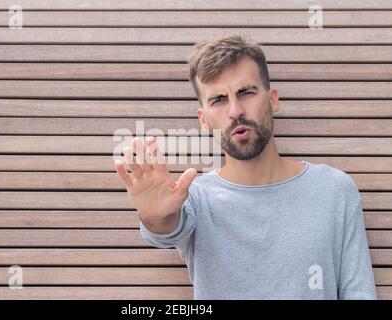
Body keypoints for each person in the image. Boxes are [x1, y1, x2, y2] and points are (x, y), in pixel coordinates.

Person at [114, 35, 377, 299]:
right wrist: (155, 216)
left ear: (273, 99)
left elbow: (359, 292)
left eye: (246, 92)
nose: (235, 111)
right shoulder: (195, 198)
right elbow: (168, 228)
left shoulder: (333, 190)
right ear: (203, 120)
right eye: (218, 99)